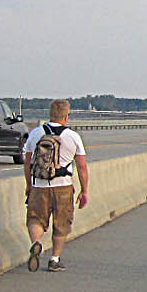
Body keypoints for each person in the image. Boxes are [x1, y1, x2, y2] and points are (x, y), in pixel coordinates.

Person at [23, 99, 90, 272]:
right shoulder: (73, 136)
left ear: (50, 114)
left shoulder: (36, 133)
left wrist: (29, 185)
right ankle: (54, 259)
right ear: (67, 116)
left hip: (39, 185)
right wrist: (84, 190)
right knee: (62, 224)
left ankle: (37, 243)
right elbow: (82, 166)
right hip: (63, 187)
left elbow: (28, 163)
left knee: (35, 219)